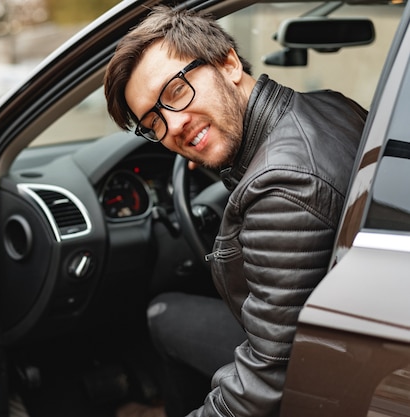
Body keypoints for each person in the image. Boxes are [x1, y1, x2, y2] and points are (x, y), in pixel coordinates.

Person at [104, 5, 367, 417]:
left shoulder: (282, 187)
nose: (171, 126)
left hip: (325, 373)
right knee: (166, 314)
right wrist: (223, 159)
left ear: (227, 62)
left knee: (161, 312)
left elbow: (266, 384)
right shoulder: (328, 105)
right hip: (336, 333)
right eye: (153, 121)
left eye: (176, 91)